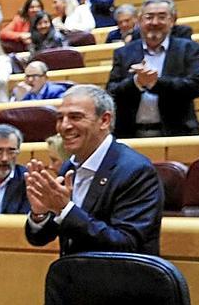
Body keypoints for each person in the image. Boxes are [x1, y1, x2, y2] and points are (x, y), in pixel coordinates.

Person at [24, 85, 163, 255]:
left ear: (104, 120)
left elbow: (127, 245)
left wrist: (65, 209)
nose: (64, 126)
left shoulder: (136, 171)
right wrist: (40, 213)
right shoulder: (69, 167)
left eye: (75, 117)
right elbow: (40, 238)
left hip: (120, 279)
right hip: (73, 277)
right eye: (60, 118)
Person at [107, 0, 199, 138]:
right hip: (130, 134)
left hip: (177, 133)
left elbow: (197, 87)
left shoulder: (188, 49)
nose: (154, 22)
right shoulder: (123, 53)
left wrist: (156, 83)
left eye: (162, 17)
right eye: (149, 17)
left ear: (172, 21)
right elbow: (111, 92)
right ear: (140, 21)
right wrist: (136, 83)